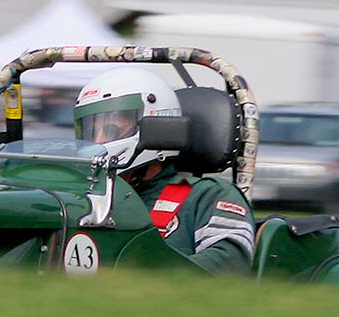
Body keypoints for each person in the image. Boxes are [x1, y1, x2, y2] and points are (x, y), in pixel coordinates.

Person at [74, 67, 255, 275]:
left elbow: (229, 265)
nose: (97, 142)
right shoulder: (87, 199)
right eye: (90, 131)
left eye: (111, 130)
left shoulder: (207, 195)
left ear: (158, 126)